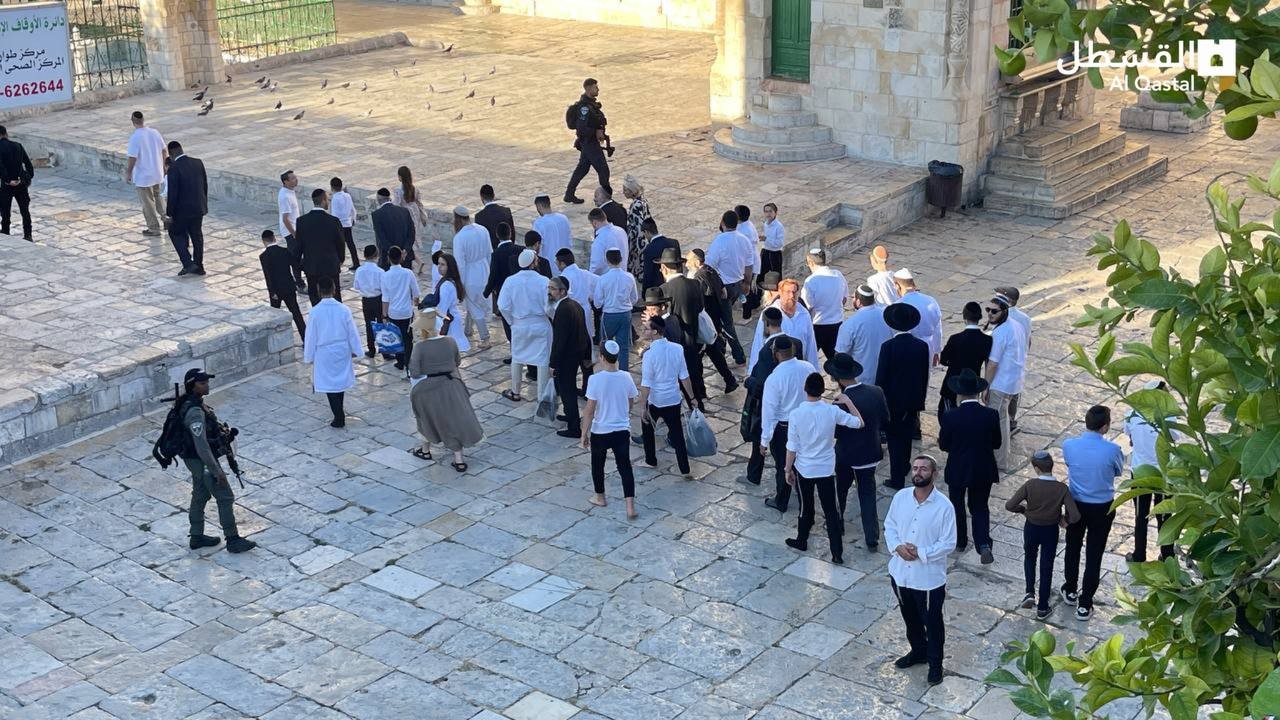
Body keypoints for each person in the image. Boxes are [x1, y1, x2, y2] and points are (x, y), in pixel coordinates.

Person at [884, 454, 956, 686]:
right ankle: (918, 651)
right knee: (910, 617)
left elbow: (948, 543)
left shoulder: (944, 507)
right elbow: (890, 525)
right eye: (915, 468)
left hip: (927, 579)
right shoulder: (901, 497)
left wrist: (921, 552)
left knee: (932, 623)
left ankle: (935, 664)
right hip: (900, 573)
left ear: (934, 474)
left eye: (924, 469)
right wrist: (897, 547)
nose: (918, 472)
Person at [784, 371, 865, 564]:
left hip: (804, 468)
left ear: (805, 389)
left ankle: (802, 539)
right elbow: (859, 423)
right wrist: (848, 402)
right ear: (822, 390)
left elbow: (792, 447)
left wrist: (787, 469)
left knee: (806, 507)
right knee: (831, 511)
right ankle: (837, 553)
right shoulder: (831, 411)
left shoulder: (796, 415)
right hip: (826, 468)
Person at [176, 369, 256, 554]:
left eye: (206, 382)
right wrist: (216, 470)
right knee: (225, 496)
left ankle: (196, 536)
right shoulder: (195, 412)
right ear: (192, 386)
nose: (206, 386)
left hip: (195, 459)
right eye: (202, 383)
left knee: (200, 494)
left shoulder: (193, 403)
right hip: (201, 461)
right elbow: (201, 445)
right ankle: (233, 539)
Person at [1060, 405, 1125, 621]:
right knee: (1094, 554)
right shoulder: (1113, 450)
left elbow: (1069, 464)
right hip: (1102, 506)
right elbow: (1118, 471)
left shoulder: (1069, 445)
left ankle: (1070, 588)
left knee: (1072, 546)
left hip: (1076, 504)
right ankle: (1085, 603)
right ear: (1105, 427)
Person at [937, 369, 1002, 563]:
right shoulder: (991, 414)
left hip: (958, 467)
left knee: (956, 504)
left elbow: (944, 445)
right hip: (983, 467)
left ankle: (960, 540)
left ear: (959, 394)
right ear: (977, 392)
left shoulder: (950, 416)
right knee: (980, 505)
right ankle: (983, 544)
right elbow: (997, 443)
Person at [826, 353, 889, 550]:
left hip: (846, 454)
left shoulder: (840, 402)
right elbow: (885, 420)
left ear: (837, 378)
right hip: (870, 452)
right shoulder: (876, 392)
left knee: (841, 490)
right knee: (867, 493)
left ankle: (838, 524)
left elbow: (836, 432)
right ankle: (872, 536)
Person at [1007, 450, 1080, 619]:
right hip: (1050, 530)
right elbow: (1076, 516)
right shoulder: (1061, 488)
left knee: (1030, 558)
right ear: (1051, 467)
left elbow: (1010, 505)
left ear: (1036, 469)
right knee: (1046, 566)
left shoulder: (1030, 485)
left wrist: (1024, 510)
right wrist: (1064, 520)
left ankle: (1029, 592)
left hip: (1031, 528)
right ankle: (1043, 607)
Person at [408, 309, 483, 472]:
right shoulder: (450, 341)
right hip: (452, 386)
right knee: (454, 420)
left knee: (425, 419)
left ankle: (425, 451)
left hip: (428, 389)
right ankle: (459, 459)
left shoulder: (420, 347)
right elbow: (457, 362)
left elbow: (414, 372)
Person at [738, 307, 802, 488]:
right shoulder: (796, 343)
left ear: (766, 324)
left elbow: (762, 384)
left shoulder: (767, 351)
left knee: (762, 439)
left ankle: (754, 475)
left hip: (774, 402)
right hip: (794, 401)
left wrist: (748, 382)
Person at [760, 337, 819, 513]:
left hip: (785, 428)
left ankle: (781, 500)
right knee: (804, 463)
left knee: (783, 465)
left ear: (776, 353)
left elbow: (769, 412)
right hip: (807, 423)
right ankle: (805, 502)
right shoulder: (808, 367)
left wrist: (764, 440)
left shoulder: (774, 378)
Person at [581, 340, 638, 517]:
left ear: (602, 357)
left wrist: (584, 434)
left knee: (598, 465)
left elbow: (589, 410)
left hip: (601, 430)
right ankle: (630, 507)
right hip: (621, 430)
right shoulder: (626, 377)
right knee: (625, 466)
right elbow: (630, 403)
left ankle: (600, 497)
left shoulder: (595, 379)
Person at [877, 303, 930, 489]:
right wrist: (920, 400)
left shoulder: (888, 347)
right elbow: (924, 376)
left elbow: (881, 379)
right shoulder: (921, 346)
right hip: (912, 401)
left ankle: (896, 478)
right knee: (907, 437)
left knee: (894, 441)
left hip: (892, 403)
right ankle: (905, 465)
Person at [1124, 379, 1177, 562]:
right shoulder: (1168, 417)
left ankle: (1139, 554)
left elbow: (1129, 436)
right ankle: (1167, 554)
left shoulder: (1131, 414)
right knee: (1164, 515)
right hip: (1163, 473)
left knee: (1141, 515)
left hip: (1140, 472)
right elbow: (1173, 438)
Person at [638, 315, 695, 476]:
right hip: (673, 398)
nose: (644, 331)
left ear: (655, 332)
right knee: (677, 434)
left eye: (647, 328)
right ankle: (684, 468)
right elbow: (684, 376)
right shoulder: (677, 349)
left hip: (655, 400)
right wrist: (692, 398)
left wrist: (642, 406)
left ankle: (650, 460)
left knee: (647, 429)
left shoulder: (649, 355)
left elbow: (646, 383)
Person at [303, 277, 361, 427]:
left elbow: (310, 336)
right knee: (339, 382)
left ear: (319, 291)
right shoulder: (344, 309)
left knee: (330, 384)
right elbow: (352, 332)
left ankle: (338, 416)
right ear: (334, 289)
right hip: (341, 349)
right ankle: (339, 412)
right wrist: (356, 349)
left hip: (324, 352)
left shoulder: (315, 312)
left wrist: (309, 356)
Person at [498, 249, 553, 401]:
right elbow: (550, 306)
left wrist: (512, 321)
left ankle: (515, 392)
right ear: (533, 263)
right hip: (540, 324)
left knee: (517, 357)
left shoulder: (510, 281)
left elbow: (502, 305)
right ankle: (542, 396)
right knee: (543, 360)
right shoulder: (544, 281)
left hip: (519, 324)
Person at [983, 293, 1028, 470]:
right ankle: (999, 457)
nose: (990, 314)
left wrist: (986, 386)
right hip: (1013, 381)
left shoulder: (1000, 332)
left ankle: (999, 460)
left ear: (1004, 311)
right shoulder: (1017, 325)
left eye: (994, 311)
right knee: (1003, 419)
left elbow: (993, 364)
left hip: (1000, 383)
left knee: (998, 422)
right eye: (988, 310)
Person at [705, 210, 752, 362]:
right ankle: (721, 346)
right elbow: (749, 265)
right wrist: (747, 283)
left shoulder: (720, 241)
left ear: (723, 223)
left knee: (727, 323)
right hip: (738, 284)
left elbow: (709, 266)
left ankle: (739, 356)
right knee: (721, 318)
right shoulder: (744, 240)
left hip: (723, 288)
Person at [687, 248, 745, 369]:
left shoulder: (699, 277)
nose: (686, 264)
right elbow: (723, 291)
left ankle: (737, 359)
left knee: (725, 333)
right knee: (727, 331)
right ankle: (735, 357)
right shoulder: (710, 269)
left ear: (697, 262)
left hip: (715, 311)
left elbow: (704, 298)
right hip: (723, 306)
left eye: (688, 261)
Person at [548, 275, 591, 438]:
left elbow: (559, 340)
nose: (549, 292)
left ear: (562, 291)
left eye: (552, 289)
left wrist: (553, 363)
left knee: (567, 390)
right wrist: (586, 355)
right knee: (568, 388)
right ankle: (570, 414)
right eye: (549, 288)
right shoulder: (575, 305)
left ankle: (574, 427)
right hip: (577, 352)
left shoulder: (563, 310)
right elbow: (585, 332)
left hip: (567, 356)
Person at [748, 275, 818, 373]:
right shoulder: (769, 313)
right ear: (780, 293)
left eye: (794, 292)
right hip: (776, 368)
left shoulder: (804, 314)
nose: (791, 296)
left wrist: (814, 369)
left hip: (798, 365)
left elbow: (811, 342)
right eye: (788, 292)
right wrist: (753, 370)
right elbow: (759, 341)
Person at [938, 302, 991, 419]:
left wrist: (952, 362)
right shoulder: (987, 340)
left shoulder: (955, 339)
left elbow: (943, 359)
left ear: (964, 317)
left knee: (947, 413)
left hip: (953, 382)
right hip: (972, 383)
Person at [163, 141, 208, 277]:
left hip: (182, 211)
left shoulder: (174, 168)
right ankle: (199, 265)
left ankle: (188, 263)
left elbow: (173, 194)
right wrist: (203, 204)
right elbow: (204, 185)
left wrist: (169, 214)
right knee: (197, 236)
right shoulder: (198, 163)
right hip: (198, 207)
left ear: (171, 154)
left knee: (175, 233)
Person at [451, 206, 492, 347]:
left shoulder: (459, 238)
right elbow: (489, 254)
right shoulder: (482, 229)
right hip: (484, 271)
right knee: (473, 303)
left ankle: (485, 337)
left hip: (470, 275)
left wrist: (460, 283)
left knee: (474, 306)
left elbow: (460, 264)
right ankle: (468, 329)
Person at [296, 188, 345, 306]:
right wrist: (340, 260)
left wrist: (301, 265)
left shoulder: (302, 221)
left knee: (315, 298)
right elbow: (340, 243)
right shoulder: (333, 221)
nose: (328, 202)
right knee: (335, 298)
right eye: (327, 199)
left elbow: (298, 246)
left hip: (312, 267)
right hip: (330, 266)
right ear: (323, 201)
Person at [564, 78, 611, 202]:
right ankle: (607, 198)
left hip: (589, 143)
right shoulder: (584, 108)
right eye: (595, 87)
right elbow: (582, 128)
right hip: (589, 143)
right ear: (589, 89)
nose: (598, 89)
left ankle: (569, 194)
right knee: (603, 169)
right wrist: (596, 132)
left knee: (582, 168)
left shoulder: (591, 105)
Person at [835, 285, 893, 385]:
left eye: (854, 297)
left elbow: (841, 353)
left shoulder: (850, 324)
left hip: (863, 378)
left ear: (858, 302)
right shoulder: (886, 315)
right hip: (886, 374)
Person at [592, 248, 638, 371]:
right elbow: (634, 298)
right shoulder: (629, 277)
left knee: (605, 345)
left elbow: (597, 303)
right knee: (624, 347)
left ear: (607, 261)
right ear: (621, 259)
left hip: (609, 315)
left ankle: (607, 371)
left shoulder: (603, 279)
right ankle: (624, 373)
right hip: (625, 314)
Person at [994, 284, 1032, 433]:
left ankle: (1000, 424)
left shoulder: (1001, 315)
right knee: (1014, 394)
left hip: (1003, 360)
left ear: (1007, 300)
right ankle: (1011, 420)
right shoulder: (1025, 318)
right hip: (1019, 360)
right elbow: (1028, 340)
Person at [125, 111, 167, 237]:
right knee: (159, 197)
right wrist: (164, 166)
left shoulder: (135, 137)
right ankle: (167, 219)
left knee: (147, 203)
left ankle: (154, 228)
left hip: (144, 177)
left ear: (133, 122)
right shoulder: (155, 132)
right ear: (143, 120)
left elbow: (132, 157)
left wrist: (129, 172)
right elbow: (164, 151)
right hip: (157, 172)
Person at [801, 249, 848, 361]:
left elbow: (806, 306)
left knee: (808, 359)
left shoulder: (810, 281)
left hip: (817, 326)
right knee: (836, 361)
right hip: (837, 324)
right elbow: (844, 299)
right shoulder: (838, 275)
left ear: (811, 262)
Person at [260, 230, 306, 341]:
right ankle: (305, 338)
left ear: (263, 241)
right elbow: (296, 265)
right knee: (296, 314)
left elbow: (268, 276)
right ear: (274, 238)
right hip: (289, 288)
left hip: (276, 291)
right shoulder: (285, 251)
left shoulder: (264, 256)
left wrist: (272, 292)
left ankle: (274, 341)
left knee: (274, 316)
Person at [380, 246, 419, 374]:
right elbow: (416, 293)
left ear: (388, 258)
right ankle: (408, 364)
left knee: (396, 338)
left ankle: (400, 361)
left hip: (393, 313)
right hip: (406, 312)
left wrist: (384, 315)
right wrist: (416, 303)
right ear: (401, 257)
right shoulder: (408, 273)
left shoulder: (385, 276)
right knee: (408, 339)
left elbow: (385, 298)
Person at [893, 268, 943, 367]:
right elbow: (938, 329)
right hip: (928, 347)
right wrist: (937, 350)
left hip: (907, 348)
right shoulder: (931, 300)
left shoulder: (898, 305)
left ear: (897, 285)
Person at [485, 222, 522, 352]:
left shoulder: (496, 254)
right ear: (510, 233)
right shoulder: (520, 249)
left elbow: (493, 275)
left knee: (508, 323)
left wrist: (486, 292)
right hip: (519, 291)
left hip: (503, 292)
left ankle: (514, 352)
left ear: (497, 235)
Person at [0, 126, 34, 242]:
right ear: (6, 134)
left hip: (6, 185)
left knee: (5, 211)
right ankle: (28, 235)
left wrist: (8, 180)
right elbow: (29, 166)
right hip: (21, 184)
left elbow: (1, 167)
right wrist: (25, 179)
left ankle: (5, 232)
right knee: (25, 211)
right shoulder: (18, 146)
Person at [434, 252, 471, 353]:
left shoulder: (446, 285)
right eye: (438, 264)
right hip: (453, 319)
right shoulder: (451, 281)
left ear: (449, 267)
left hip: (448, 322)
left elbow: (442, 308)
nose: (439, 267)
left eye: (442, 264)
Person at [352, 244, 385, 358]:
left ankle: (371, 349)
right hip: (378, 299)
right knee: (381, 324)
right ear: (376, 255)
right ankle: (384, 350)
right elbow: (384, 287)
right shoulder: (380, 271)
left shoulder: (359, 270)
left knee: (368, 324)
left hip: (366, 300)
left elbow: (356, 286)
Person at [371, 187, 415, 271]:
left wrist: (393, 253)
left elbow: (381, 237)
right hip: (405, 257)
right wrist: (405, 250)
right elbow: (411, 233)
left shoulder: (376, 215)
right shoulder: (404, 211)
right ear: (389, 198)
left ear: (379, 200)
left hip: (388, 258)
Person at [392, 166, 425, 274]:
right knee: (412, 238)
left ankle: (418, 261)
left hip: (404, 216)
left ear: (400, 177)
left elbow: (396, 205)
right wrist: (422, 215)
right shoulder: (415, 188)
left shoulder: (398, 190)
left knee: (408, 240)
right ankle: (417, 261)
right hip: (414, 214)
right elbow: (419, 203)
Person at [277, 170, 306, 290]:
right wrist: (294, 234)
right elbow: (285, 219)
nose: (296, 180)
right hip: (290, 232)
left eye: (295, 177)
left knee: (299, 256)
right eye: (293, 178)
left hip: (295, 229)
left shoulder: (289, 191)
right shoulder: (285, 196)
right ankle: (299, 284)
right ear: (286, 181)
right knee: (295, 258)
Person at [734, 204, 762, 319]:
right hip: (752, 260)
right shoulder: (748, 224)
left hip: (748, 264)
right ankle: (756, 303)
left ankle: (747, 315)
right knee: (749, 287)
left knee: (746, 289)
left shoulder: (743, 231)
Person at [621, 176, 652, 277]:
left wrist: (637, 250)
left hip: (637, 246)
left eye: (625, 190)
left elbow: (639, 229)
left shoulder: (636, 205)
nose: (623, 192)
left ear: (632, 191)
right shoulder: (643, 200)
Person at [532, 195, 571, 272]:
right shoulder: (563, 218)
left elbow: (537, 246)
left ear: (539, 206)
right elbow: (569, 240)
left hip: (550, 265)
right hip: (566, 262)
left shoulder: (539, 223)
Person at [329, 177, 360, 271]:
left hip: (339, 225)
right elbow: (352, 209)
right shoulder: (347, 196)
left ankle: (338, 264)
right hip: (347, 223)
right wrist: (353, 219)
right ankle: (356, 262)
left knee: (338, 246)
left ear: (332, 187)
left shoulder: (335, 198)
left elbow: (334, 214)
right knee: (351, 244)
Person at [639, 219, 679, 292]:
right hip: (676, 285)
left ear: (646, 232)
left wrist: (645, 292)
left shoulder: (649, 249)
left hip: (659, 290)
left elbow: (648, 274)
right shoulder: (674, 243)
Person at [589, 208, 628, 275]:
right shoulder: (621, 231)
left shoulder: (599, 239)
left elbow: (596, 265)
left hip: (607, 277)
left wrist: (590, 276)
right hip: (623, 273)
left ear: (594, 223)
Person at [476, 184, 515, 251]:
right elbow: (512, 234)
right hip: (508, 250)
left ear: (481, 198)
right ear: (493, 195)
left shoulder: (479, 216)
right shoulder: (506, 211)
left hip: (491, 253)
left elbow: (481, 240)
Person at [760, 202, 784, 276]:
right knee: (761, 275)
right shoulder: (766, 224)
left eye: (770, 211)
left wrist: (766, 239)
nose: (768, 214)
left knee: (776, 276)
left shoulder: (779, 226)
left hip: (775, 254)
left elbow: (779, 243)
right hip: (765, 252)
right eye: (766, 211)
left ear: (775, 213)